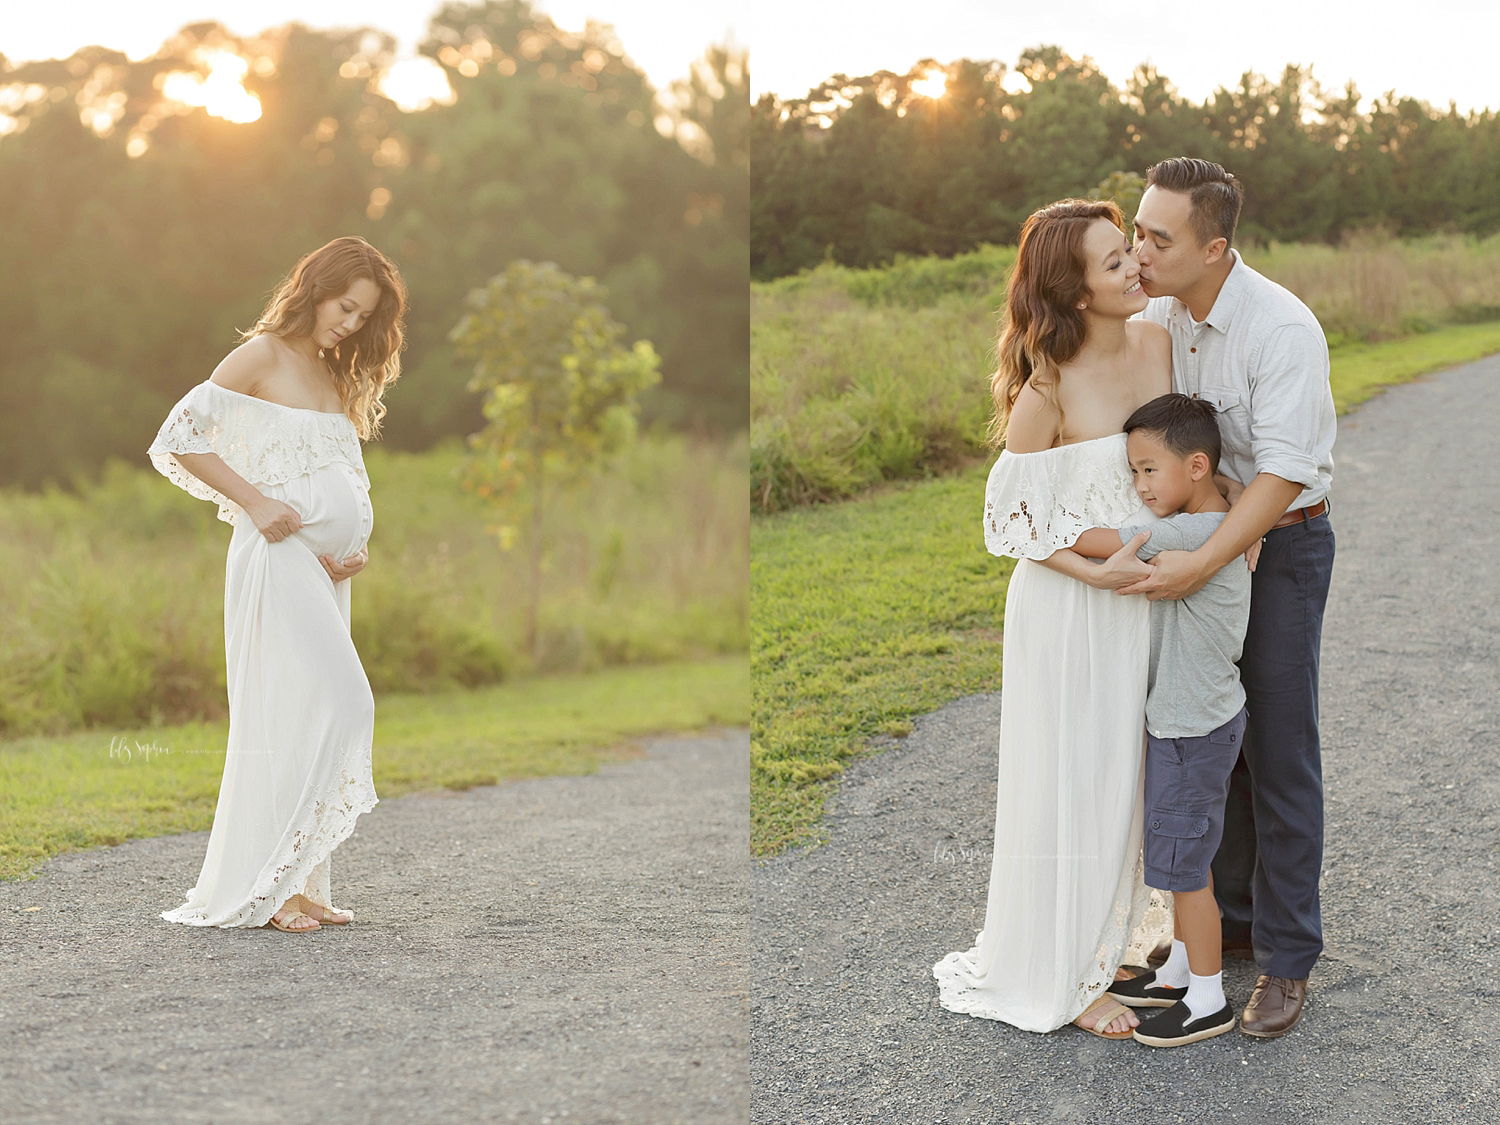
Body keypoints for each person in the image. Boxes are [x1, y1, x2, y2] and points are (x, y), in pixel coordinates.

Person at [932, 199, 1172, 1039]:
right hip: (1070, 608)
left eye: (1128, 252)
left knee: (1130, 776)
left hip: (1140, 606)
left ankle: (1118, 940)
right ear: (1073, 294)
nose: (1134, 267)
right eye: (1114, 263)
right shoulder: (1047, 384)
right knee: (1074, 780)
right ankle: (1065, 980)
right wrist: (1097, 570)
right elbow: (1009, 520)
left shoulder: (1159, 342)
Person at [1125, 157, 1336, 1037]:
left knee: (1280, 750)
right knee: (1223, 738)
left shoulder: (1280, 327)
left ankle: (1287, 960)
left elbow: (1284, 469)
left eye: (1157, 238)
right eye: (1137, 231)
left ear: (1215, 247)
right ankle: (1235, 926)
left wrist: (1210, 556)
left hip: (1280, 547)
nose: (1140, 249)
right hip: (1213, 550)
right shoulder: (1163, 317)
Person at [149, 236, 407, 934]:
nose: (352, 323)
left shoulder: (331, 373)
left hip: (320, 571)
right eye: (345, 306)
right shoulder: (263, 353)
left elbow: (332, 477)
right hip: (276, 556)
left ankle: (303, 885)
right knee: (340, 703)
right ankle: (273, 891)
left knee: (303, 713)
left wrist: (345, 545)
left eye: (364, 315)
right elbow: (180, 433)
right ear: (316, 288)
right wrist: (256, 503)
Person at [1065, 394, 1250, 1046]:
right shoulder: (1219, 519)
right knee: (1177, 848)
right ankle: (1178, 965)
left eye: (1148, 470)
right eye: (1132, 472)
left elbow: (1099, 543)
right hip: (1194, 718)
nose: (1138, 487)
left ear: (1197, 465)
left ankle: (1207, 997)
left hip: (1190, 727)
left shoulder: (1194, 534)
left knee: (1184, 865)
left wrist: (1036, 525)